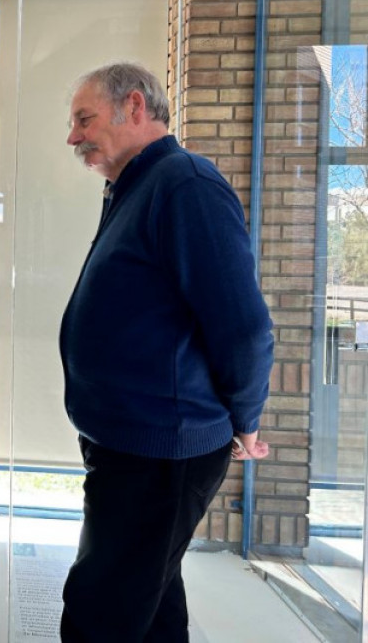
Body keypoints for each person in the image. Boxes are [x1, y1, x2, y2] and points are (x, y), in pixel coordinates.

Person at [59, 62, 274, 642]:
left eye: (84, 119)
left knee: (100, 609)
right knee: (148, 602)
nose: (73, 137)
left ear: (134, 107)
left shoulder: (185, 185)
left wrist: (246, 420)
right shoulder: (137, 185)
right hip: (136, 445)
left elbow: (245, 327)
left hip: (160, 451)